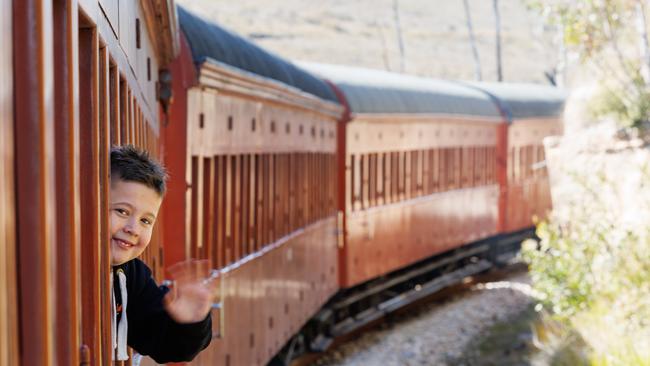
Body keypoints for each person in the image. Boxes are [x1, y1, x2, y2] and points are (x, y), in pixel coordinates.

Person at [110, 144, 213, 362]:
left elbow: (168, 346)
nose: (133, 229)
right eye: (122, 211)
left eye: (145, 221)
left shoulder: (132, 275)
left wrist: (190, 321)